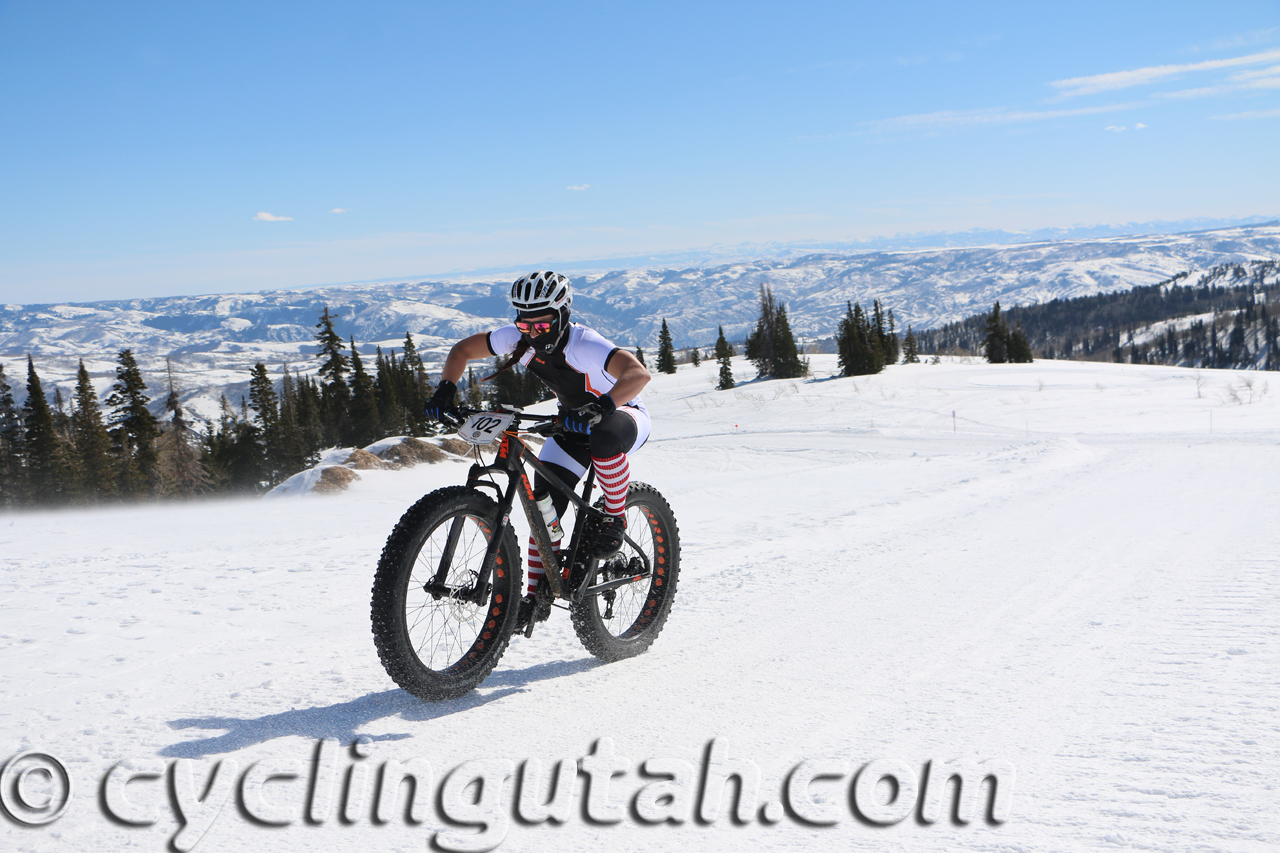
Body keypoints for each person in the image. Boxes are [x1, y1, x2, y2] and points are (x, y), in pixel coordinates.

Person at [423, 270, 652, 629]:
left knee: (604, 440)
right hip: (572, 424)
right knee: (543, 512)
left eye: (542, 326)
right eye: (525, 325)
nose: (533, 333)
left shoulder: (583, 343)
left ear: (562, 314)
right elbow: (462, 350)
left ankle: (615, 516)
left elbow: (638, 374)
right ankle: (534, 596)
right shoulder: (516, 337)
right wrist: (445, 390)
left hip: (622, 414)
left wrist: (601, 407)